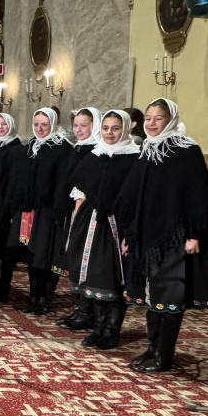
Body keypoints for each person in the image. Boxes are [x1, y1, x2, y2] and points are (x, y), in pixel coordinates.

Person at [115, 98, 208, 373]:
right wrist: (130, 235)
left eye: (158, 119)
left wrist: (195, 234)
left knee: (171, 293)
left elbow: (200, 197)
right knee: (152, 293)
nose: (152, 123)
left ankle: (164, 355)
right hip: (147, 236)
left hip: (176, 238)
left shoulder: (186, 150)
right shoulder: (147, 149)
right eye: (148, 118)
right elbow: (133, 198)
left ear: (170, 120)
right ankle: (152, 348)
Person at [64, 110, 139, 350]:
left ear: (125, 129)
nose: (110, 133)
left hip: (117, 225)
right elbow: (80, 192)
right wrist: (75, 224)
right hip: (89, 223)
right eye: (105, 128)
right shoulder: (95, 155)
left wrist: (130, 233)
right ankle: (98, 327)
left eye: (115, 128)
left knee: (112, 278)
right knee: (92, 275)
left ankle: (111, 330)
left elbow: (136, 198)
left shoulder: (134, 158)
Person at [6, 107, 74, 315]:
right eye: (36, 124)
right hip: (28, 210)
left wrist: (57, 210)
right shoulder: (31, 146)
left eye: (44, 124)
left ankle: (46, 297)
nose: (40, 128)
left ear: (53, 124)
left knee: (46, 254)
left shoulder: (62, 148)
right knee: (31, 254)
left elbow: (62, 182)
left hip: (48, 211)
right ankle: (34, 296)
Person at [53, 107, 101, 327]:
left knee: (85, 260)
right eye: (76, 125)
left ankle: (88, 312)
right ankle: (79, 309)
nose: (79, 130)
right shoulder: (78, 148)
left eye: (84, 125)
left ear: (94, 125)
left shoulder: (97, 150)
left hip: (88, 214)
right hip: (73, 211)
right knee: (74, 259)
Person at [0, 112, 24, 302]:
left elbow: (17, 182)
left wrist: (10, 208)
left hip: (8, 207)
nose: (1, 127)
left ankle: (5, 289)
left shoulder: (17, 149)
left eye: (4, 124)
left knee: (7, 252)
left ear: (10, 125)